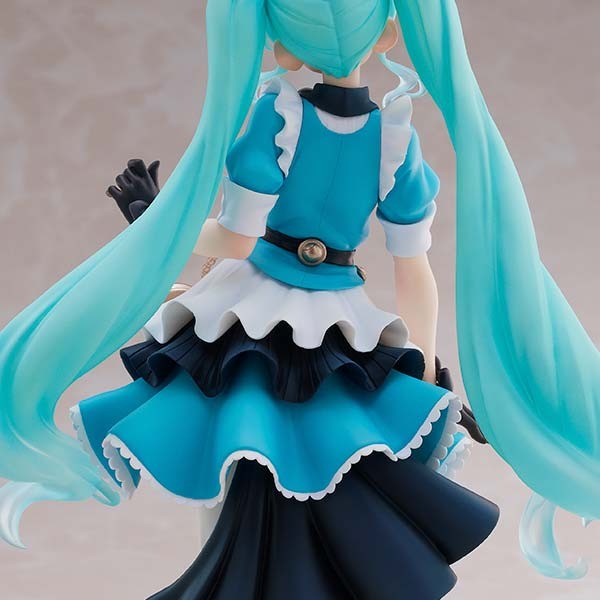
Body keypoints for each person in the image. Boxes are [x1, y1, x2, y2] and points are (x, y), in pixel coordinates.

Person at [0, 1, 598, 598]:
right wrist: (426, 365)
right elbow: (413, 268)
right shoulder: (393, 137)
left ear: (281, 47)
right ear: (390, 33)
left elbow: (236, 238)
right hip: (336, 320)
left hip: (257, 307)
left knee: (238, 452)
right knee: (320, 454)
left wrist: (159, 220)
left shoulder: (281, 115)